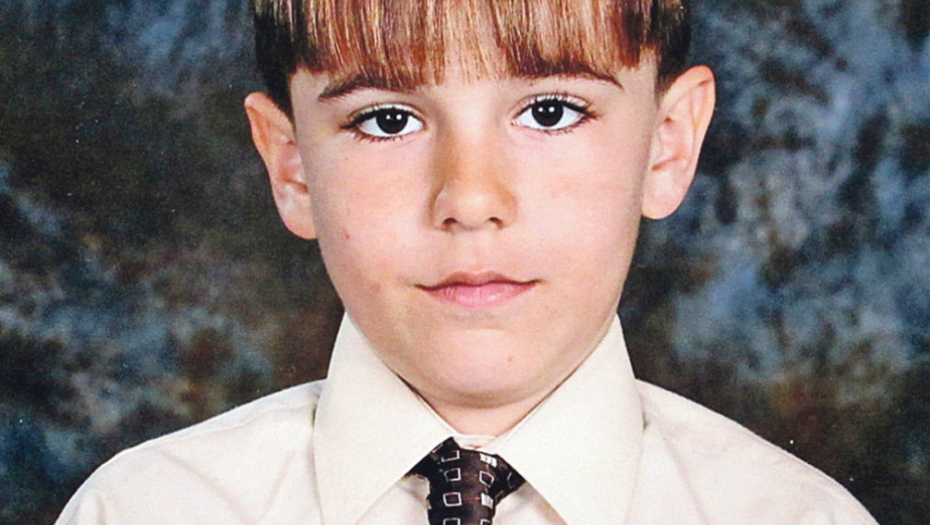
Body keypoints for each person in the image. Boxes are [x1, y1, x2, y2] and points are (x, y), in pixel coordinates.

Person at [56, 0, 879, 523]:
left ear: (667, 145)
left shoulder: (800, 517)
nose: (471, 198)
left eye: (550, 111)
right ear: (293, 168)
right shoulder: (140, 510)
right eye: (387, 120)